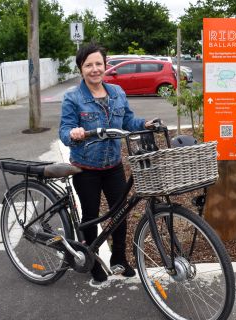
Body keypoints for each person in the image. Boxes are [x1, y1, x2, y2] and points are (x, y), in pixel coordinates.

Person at [59, 42, 157, 283]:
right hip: (85, 168)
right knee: (91, 215)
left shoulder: (117, 93)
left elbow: (128, 121)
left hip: (113, 165)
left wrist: (144, 125)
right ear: (81, 68)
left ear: (105, 66)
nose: (94, 69)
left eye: (98, 64)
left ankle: (119, 259)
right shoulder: (73, 97)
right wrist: (73, 133)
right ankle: (91, 262)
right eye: (88, 65)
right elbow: (64, 130)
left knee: (120, 213)